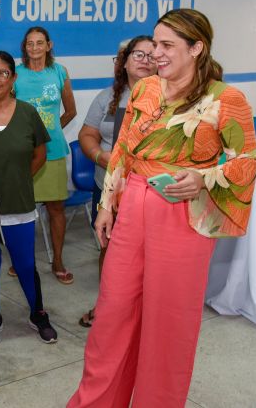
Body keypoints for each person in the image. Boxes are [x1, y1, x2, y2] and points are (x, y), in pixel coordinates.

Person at [68, 9, 256, 408]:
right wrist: (107, 204)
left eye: (167, 45)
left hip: (182, 217)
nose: (156, 53)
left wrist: (204, 177)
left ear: (196, 48)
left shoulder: (226, 100)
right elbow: (123, 149)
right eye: (155, 44)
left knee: (168, 327)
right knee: (113, 315)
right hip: (132, 209)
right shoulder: (145, 89)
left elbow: (246, 162)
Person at [0, 51, 57, 346]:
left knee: (26, 264)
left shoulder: (27, 113)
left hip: (18, 204)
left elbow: (40, 155)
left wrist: (17, 179)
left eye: (2, 73)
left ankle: (38, 313)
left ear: (13, 77)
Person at [76, 35, 157, 328]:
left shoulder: (169, 97)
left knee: (150, 255)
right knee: (109, 249)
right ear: (124, 61)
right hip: (108, 188)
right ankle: (107, 305)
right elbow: (87, 134)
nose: (145, 60)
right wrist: (100, 156)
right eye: (138, 54)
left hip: (150, 192)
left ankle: (145, 311)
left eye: (152, 55)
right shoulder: (107, 97)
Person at [14, 26, 77, 283]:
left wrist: (47, 135)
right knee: (22, 210)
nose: (35, 48)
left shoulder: (60, 72)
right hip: (23, 153)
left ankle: (58, 260)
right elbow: (7, 110)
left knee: (56, 208)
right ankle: (22, 261)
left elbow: (70, 111)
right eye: (30, 43)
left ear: (49, 46)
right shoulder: (15, 74)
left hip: (53, 152)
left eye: (40, 42)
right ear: (24, 47)